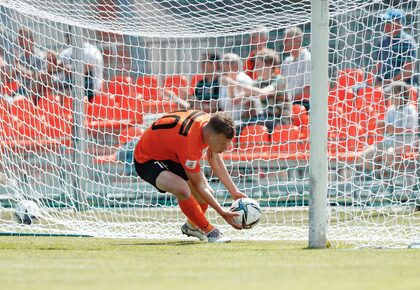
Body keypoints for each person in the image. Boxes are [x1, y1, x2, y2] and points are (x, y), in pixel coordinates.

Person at [133, 110, 246, 243]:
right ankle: (211, 232)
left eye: (228, 143)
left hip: (172, 154)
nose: (226, 147)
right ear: (209, 135)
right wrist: (222, 212)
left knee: (206, 194)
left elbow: (214, 158)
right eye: (222, 144)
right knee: (182, 188)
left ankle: (191, 227)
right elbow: (199, 185)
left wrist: (233, 191)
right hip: (147, 158)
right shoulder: (190, 143)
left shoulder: (211, 125)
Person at [361, 81, 417, 178]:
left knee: (387, 155)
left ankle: (390, 184)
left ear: (401, 94)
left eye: (393, 93)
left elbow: (410, 132)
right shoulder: (391, 109)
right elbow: (386, 131)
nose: (391, 96)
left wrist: (392, 129)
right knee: (365, 156)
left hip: (405, 144)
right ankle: (384, 177)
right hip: (388, 142)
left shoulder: (410, 109)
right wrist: (382, 127)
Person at [218, 53, 265, 130]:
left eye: (225, 63)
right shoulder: (224, 79)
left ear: (234, 65)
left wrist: (242, 120)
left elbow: (251, 103)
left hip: (243, 122)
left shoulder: (243, 79)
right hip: (230, 121)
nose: (221, 65)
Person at [371, 8, 417, 87]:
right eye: (384, 22)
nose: (385, 25)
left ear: (399, 23)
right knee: (358, 89)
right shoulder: (382, 41)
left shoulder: (407, 42)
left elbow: (408, 71)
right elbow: (377, 65)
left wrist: (386, 83)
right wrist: (372, 81)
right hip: (383, 84)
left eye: (388, 22)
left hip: (403, 86)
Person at [253, 48, 290, 130]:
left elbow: (263, 93)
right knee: (242, 127)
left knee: (257, 127)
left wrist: (234, 83)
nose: (255, 68)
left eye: (259, 65)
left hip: (281, 121)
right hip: (265, 118)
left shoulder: (280, 80)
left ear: (269, 65)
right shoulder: (259, 81)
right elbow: (236, 98)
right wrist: (231, 84)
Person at [281, 26, 311, 111]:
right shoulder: (286, 61)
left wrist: (288, 101)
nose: (283, 42)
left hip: (304, 105)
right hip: (287, 104)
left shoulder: (307, 59)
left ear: (297, 40)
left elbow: (308, 91)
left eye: (286, 40)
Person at [13, 27, 46, 100]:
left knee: (16, 102)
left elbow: (36, 77)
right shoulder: (20, 57)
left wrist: (18, 66)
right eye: (19, 38)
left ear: (32, 40)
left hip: (36, 94)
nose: (20, 41)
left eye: (22, 37)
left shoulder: (40, 56)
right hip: (22, 90)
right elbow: (12, 76)